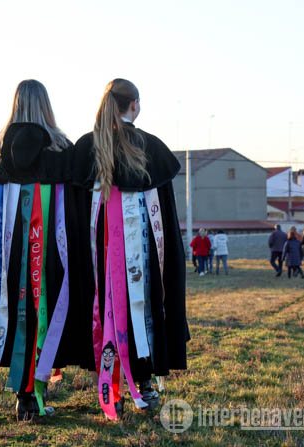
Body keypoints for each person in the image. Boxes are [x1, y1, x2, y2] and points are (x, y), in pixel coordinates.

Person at [70, 78, 189, 419]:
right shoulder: (151, 147)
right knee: (143, 308)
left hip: (99, 254)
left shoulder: (87, 147)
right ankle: (144, 384)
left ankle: (112, 387)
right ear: (134, 104)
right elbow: (166, 215)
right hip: (143, 258)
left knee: (106, 308)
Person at [0, 79, 74, 420]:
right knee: (40, 313)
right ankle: (31, 394)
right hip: (48, 256)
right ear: (46, 106)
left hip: (4, 260)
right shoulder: (59, 150)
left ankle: (25, 396)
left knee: (9, 311)